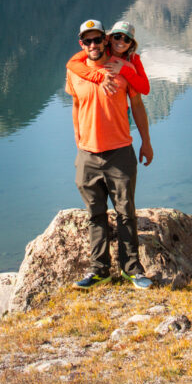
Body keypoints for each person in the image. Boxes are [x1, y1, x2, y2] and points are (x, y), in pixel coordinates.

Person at [65, 18, 154, 290]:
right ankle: (99, 270)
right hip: (88, 155)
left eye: (97, 39)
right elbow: (76, 105)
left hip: (120, 152)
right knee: (95, 214)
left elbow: (137, 104)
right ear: (82, 43)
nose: (93, 45)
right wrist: (78, 142)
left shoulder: (122, 68)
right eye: (87, 41)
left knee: (126, 212)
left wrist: (146, 142)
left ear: (105, 40)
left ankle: (132, 269)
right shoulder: (76, 70)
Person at [66, 18, 150, 96]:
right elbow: (72, 63)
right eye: (117, 37)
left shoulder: (134, 59)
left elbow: (145, 89)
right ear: (109, 38)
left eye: (127, 39)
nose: (121, 42)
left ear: (131, 44)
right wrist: (100, 78)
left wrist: (123, 70)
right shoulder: (98, 50)